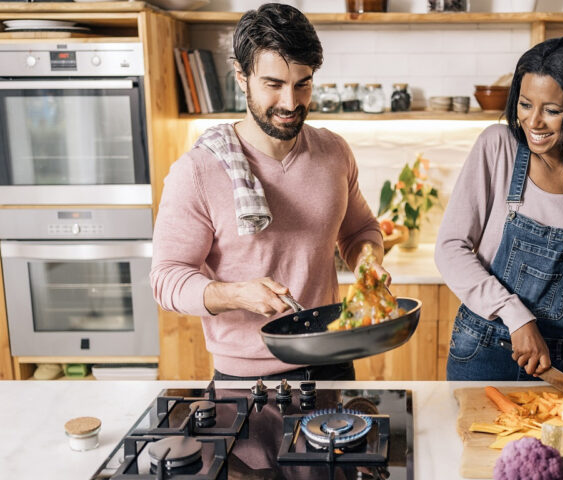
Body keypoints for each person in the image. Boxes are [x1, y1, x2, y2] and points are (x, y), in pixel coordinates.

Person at [150, 3, 387, 381]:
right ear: (242, 77)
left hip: (333, 358)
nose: (290, 103)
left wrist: (368, 262)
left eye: (302, 84)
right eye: (273, 85)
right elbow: (166, 279)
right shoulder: (198, 170)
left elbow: (360, 232)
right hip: (248, 379)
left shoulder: (334, 152)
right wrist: (236, 294)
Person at [435, 36, 563, 397]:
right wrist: (516, 316)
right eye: (525, 104)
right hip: (486, 349)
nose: (533, 121)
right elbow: (450, 248)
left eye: (552, 110)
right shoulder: (498, 148)